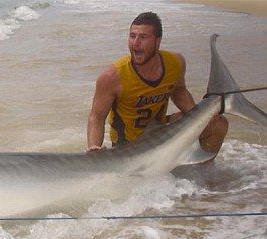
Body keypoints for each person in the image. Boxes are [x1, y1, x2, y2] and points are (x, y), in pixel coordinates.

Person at [86, 12, 228, 156]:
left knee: (218, 124)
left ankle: (203, 172)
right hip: (127, 146)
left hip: (159, 131)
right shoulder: (112, 77)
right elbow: (96, 117)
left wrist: (200, 116)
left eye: (143, 37)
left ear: (157, 41)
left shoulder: (175, 62)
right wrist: (94, 148)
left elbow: (179, 92)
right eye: (132, 36)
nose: (135, 43)